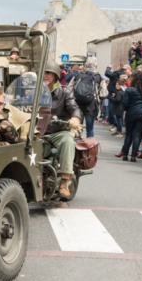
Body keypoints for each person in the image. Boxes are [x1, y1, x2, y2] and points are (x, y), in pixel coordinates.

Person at [43, 60, 82, 198]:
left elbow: (74, 107)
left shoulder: (64, 91)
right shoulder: (33, 92)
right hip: (36, 131)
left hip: (57, 131)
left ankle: (64, 182)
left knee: (67, 141)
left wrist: (75, 118)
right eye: (42, 72)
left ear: (55, 75)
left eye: (48, 72)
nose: (45, 75)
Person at [115, 71, 142, 162]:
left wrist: (128, 108)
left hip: (131, 112)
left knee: (129, 134)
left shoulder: (129, 89)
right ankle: (134, 156)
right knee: (137, 134)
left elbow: (125, 103)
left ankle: (125, 154)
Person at [68, 56, 102, 138]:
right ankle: (89, 147)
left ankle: (76, 146)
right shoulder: (98, 77)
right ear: (96, 66)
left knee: (77, 127)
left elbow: (69, 88)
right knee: (90, 128)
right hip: (91, 106)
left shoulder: (78, 76)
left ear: (85, 66)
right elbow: (104, 93)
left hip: (78, 104)